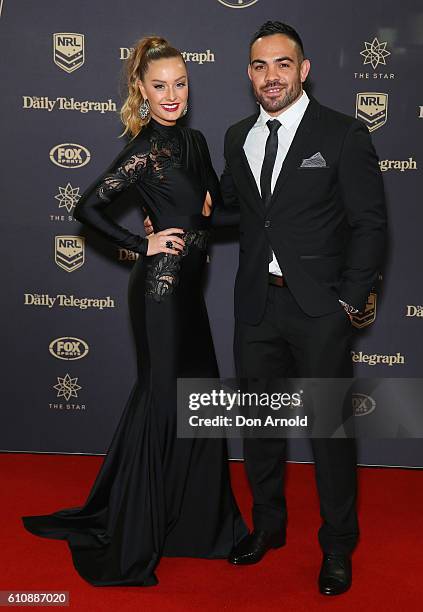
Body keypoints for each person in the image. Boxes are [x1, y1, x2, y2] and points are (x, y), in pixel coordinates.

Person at [21, 35, 248, 587]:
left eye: (180, 83)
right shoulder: (147, 148)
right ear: (141, 91)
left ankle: (195, 527)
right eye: (159, 86)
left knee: (198, 402)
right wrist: (138, 242)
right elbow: (87, 206)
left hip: (189, 293)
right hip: (160, 293)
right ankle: (138, 530)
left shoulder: (193, 143)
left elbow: (212, 220)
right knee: (164, 402)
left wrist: (271, 206)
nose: (171, 94)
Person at [220, 21, 387, 595]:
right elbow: (233, 210)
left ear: (304, 69)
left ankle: (338, 547)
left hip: (319, 311)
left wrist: (349, 300)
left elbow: (370, 225)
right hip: (256, 307)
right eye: (260, 66)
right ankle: (268, 526)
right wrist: (174, 215)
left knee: (329, 433)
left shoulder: (342, 134)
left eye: (282, 64)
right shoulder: (237, 136)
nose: (271, 76)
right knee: (261, 427)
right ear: (249, 74)